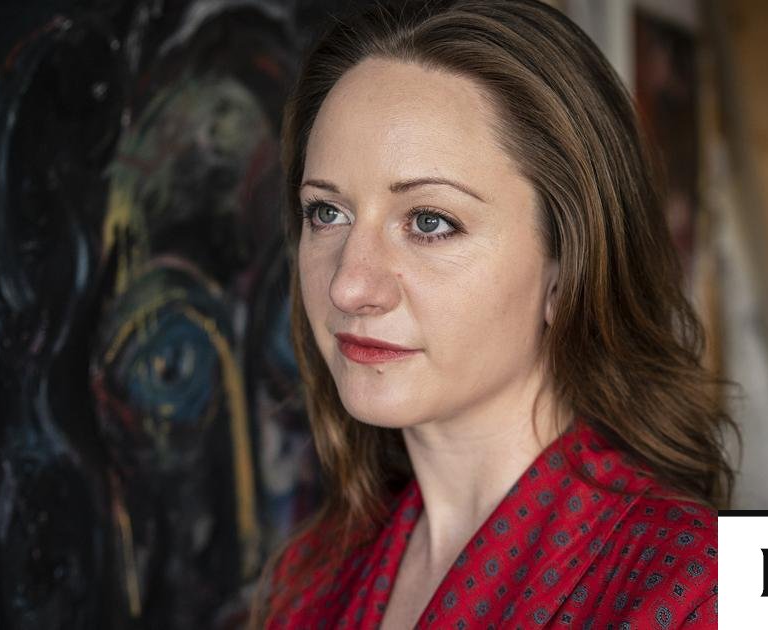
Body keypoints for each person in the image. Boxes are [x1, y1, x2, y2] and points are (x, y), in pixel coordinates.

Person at [257, 0, 735, 627]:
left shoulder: (695, 592)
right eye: (327, 213)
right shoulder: (314, 574)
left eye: (430, 222)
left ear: (567, 265)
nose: (349, 285)